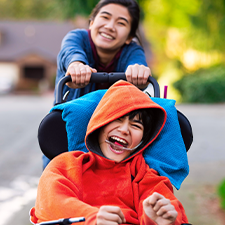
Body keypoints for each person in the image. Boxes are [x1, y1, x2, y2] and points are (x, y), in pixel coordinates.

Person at [31, 80, 188, 225]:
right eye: (117, 119)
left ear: (143, 139)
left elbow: (167, 204)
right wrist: (92, 218)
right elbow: (51, 201)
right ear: (100, 124)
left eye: (135, 125)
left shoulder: (145, 174)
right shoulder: (67, 165)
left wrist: (161, 220)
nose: (125, 130)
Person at [43, 0, 152, 169]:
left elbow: (137, 63)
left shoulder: (132, 51)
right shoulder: (76, 38)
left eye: (121, 23)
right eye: (105, 17)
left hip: (110, 141)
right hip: (70, 134)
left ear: (130, 36)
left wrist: (138, 71)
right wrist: (76, 65)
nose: (110, 26)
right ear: (92, 22)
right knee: (57, 180)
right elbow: (71, 53)